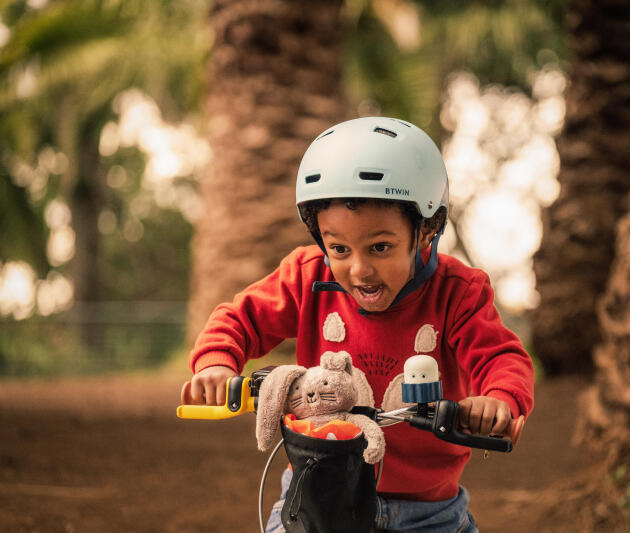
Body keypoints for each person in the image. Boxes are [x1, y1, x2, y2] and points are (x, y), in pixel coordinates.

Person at [182, 117, 535, 532]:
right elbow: (238, 318)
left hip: (428, 513)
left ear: (427, 231)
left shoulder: (458, 292)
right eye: (339, 248)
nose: (359, 268)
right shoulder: (307, 276)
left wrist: (499, 400)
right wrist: (216, 364)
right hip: (317, 492)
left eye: (380, 246)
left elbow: (502, 357)